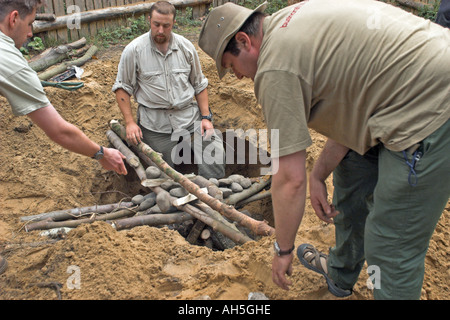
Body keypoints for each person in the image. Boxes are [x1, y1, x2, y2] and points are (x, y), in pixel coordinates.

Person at [198, 0, 450, 299]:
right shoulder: (292, 23)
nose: (238, 76)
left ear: (244, 41)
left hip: (432, 102)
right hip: (397, 90)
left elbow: (289, 179)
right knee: (352, 176)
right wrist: (319, 175)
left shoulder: (275, 66)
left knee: (391, 243)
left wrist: (283, 249)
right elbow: (352, 101)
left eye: (231, 66)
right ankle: (342, 273)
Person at [0, 0, 128, 275]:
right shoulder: (7, 58)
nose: (32, 32)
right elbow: (59, 130)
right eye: (31, 23)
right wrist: (102, 153)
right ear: (13, 18)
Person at [113, 1, 225, 179]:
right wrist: (130, 122)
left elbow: (199, 84)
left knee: (213, 149)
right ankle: (175, 203)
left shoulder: (186, 47)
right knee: (162, 173)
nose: (160, 30)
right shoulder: (134, 50)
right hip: (155, 125)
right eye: (156, 24)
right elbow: (122, 88)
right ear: (149, 20)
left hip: (188, 118)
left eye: (166, 26)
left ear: (173, 23)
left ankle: (216, 193)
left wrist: (205, 118)